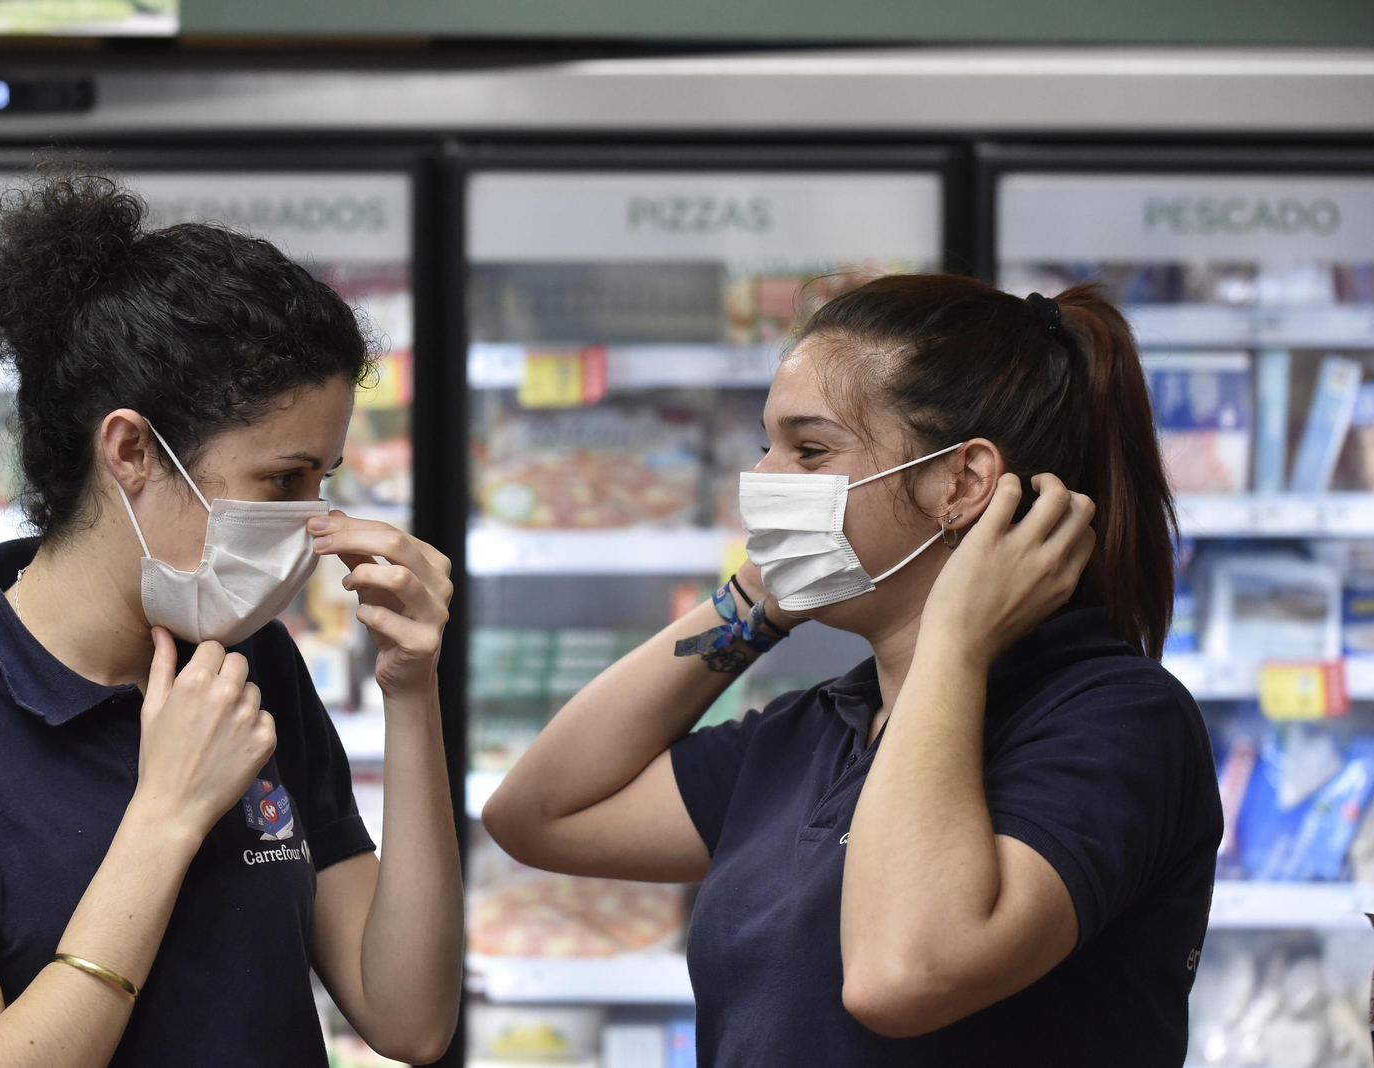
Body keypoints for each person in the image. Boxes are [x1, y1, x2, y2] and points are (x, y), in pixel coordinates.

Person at [484, 274, 1222, 1065]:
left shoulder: (1115, 720)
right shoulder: (825, 726)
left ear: (963, 482)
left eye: (809, 449)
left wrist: (953, 643)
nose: (765, 481)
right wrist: (757, 599)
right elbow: (538, 813)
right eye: (765, 446)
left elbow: (902, 976)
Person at [0, 173, 462, 1068]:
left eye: (326, 479)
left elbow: (410, 1019)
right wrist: (166, 814)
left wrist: (412, 691)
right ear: (131, 452)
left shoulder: (252, 663)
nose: (314, 523)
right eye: (282, 481)